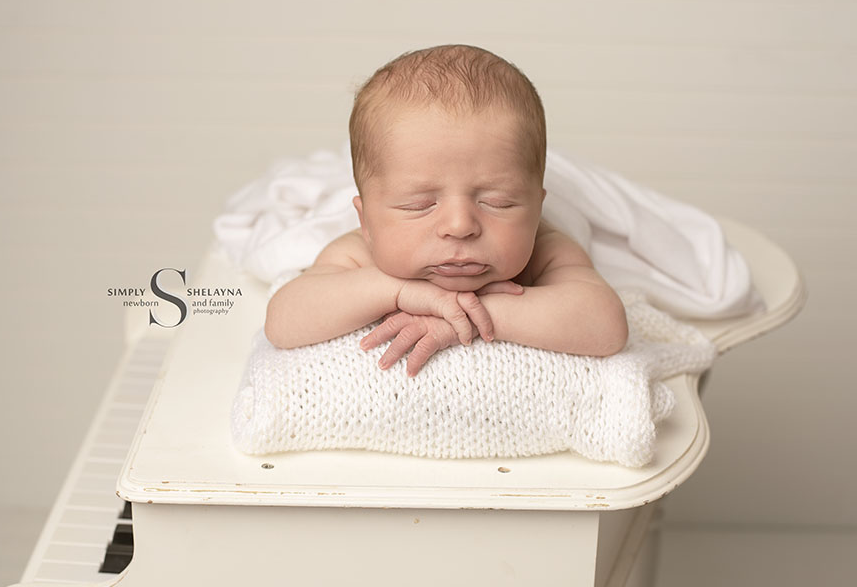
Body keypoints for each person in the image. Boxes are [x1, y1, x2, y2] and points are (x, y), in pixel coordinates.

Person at [264, 44, 628, 376]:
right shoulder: (358, 251)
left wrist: (472, 316)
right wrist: (395, 291)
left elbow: (605, 326)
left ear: (536, 211)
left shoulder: (545, 249)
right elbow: (283, 321)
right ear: (366, 222)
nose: (459, 225)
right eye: (418, 205)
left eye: (496, 202)